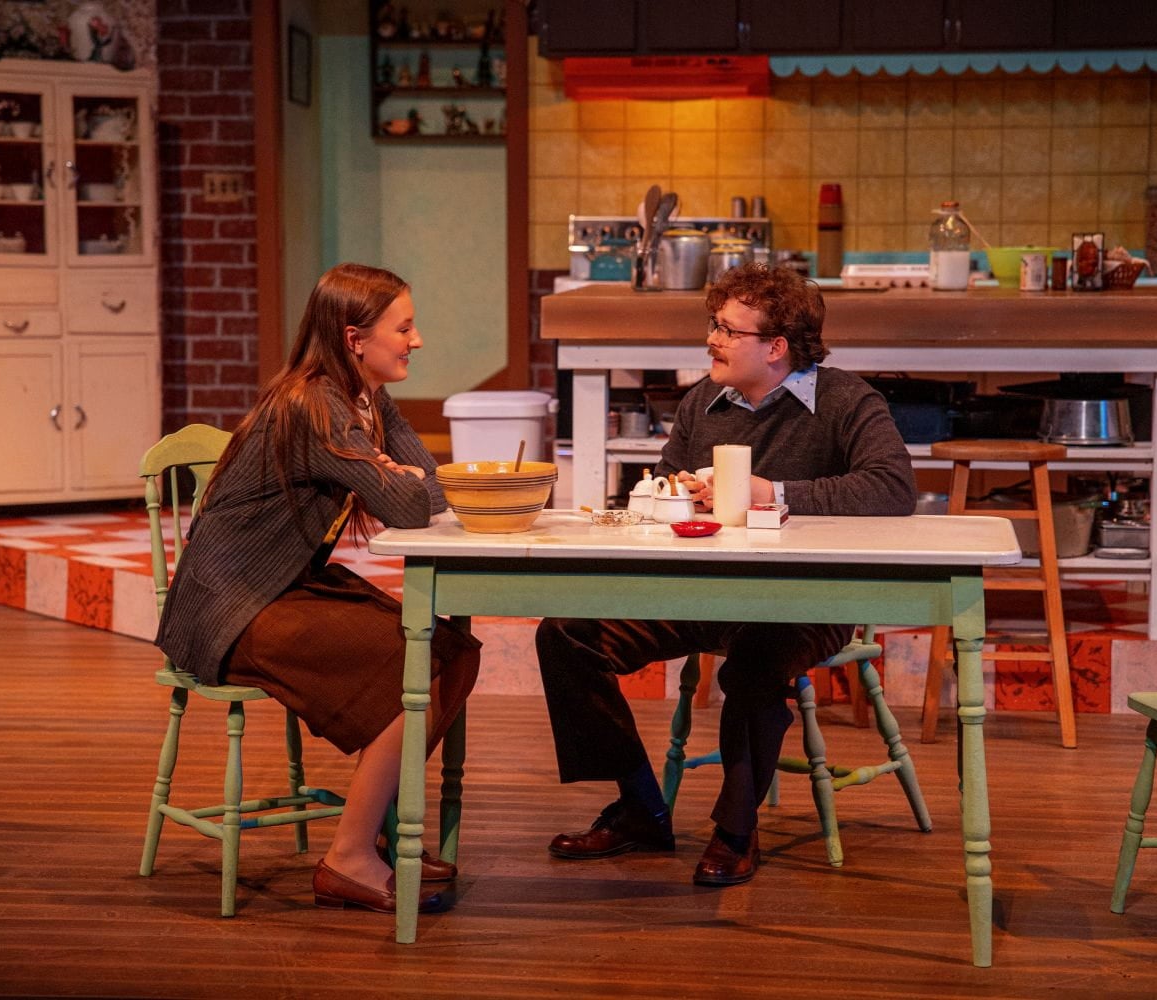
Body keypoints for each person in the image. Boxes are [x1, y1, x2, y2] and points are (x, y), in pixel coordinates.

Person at [536, 262, 915, 887]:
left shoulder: (845, 400)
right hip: (702, 590)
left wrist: (774, 493)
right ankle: (639, 807)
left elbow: (893, 488)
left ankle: (736, 829)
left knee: (757, 662)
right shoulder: (702, 403)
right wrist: (675, 493)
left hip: (806, 599)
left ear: (776, 347)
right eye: (713, 324)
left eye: (727, 330)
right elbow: (661, 488)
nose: (711, 339)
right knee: (566, 634)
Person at [155, 263, 480, 915]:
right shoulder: (314, 405)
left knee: (455, 653)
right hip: (234, 605)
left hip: (286, 587)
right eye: (404, 328)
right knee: (416, 665)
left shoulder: (366, 399)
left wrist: (402, 477)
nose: (416, 340)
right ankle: (349, 858)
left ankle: (377, 830)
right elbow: (408, 505)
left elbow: (432, 489)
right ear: (354, 338)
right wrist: (399, 481)